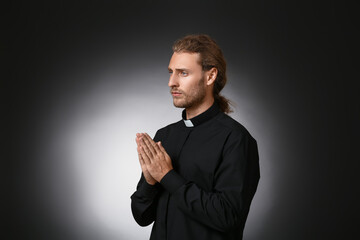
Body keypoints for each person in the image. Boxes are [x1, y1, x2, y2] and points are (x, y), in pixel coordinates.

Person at [131, 34, 260, 240]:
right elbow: (142, 216)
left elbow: (227, 217)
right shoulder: (165, 135)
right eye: (171, 72)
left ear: (210, 76)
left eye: (183, 73)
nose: (171, 82)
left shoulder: (236, 140)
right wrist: (149, 181)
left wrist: (167, 176)